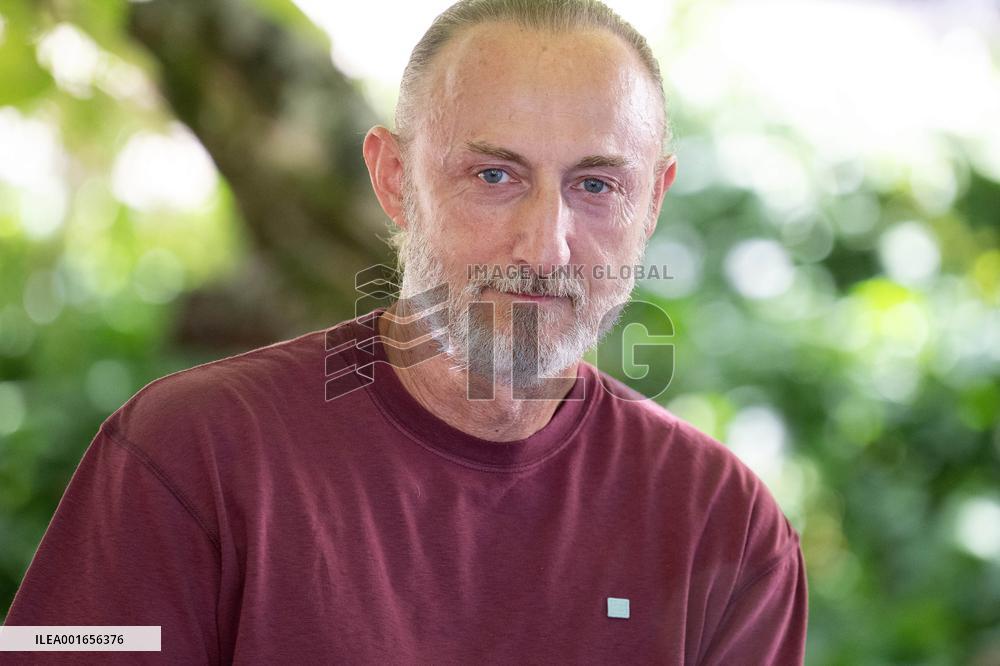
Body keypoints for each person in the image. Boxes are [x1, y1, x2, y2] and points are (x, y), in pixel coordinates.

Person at [3, 0, 808, 663]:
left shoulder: (723, 525)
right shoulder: (188, 453)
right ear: (395, 179)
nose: (546, 244)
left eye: (597, 184)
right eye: (495, 176)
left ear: (653, 203)